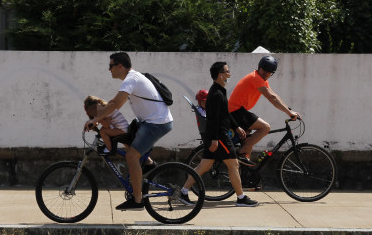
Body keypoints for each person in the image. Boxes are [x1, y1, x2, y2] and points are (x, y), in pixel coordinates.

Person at [83, 52, 173, 211]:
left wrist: (94, 120)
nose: (108, 69)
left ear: (120, 66)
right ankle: (148, 164)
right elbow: (112, 103)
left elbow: (116, 104)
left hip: (156, 123)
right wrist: (98, 119)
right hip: (148, 122)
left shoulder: (131, 79)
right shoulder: (132, 79)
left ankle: (138, 201)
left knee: (132, 155)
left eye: (110, 66)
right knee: (127, 141)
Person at [181, 62, 259, 207]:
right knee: (233, 164)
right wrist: (215, 140)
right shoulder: (216, 94)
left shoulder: (220, 91)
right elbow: (213, 119)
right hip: (220, 136)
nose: (230, 73)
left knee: (204, 166)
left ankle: (183, 192)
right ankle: (241, 198)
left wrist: (236, 127)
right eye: (227, 71)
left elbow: (225, 113)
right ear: (220, 75)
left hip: (218, 135)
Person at [228, 55, 301, 165]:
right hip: (236, 111)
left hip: (238, 111)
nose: (266, 73)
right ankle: (241, 153)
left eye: (269, 72)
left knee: (248, 142)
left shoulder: (261, 80)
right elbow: (271, 98)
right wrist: (289, 113)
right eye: (264, 70)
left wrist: (289, 109)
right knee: (265, 127)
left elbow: (274, 95)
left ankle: (244, 174)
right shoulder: (255, 78)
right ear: (259, 67)